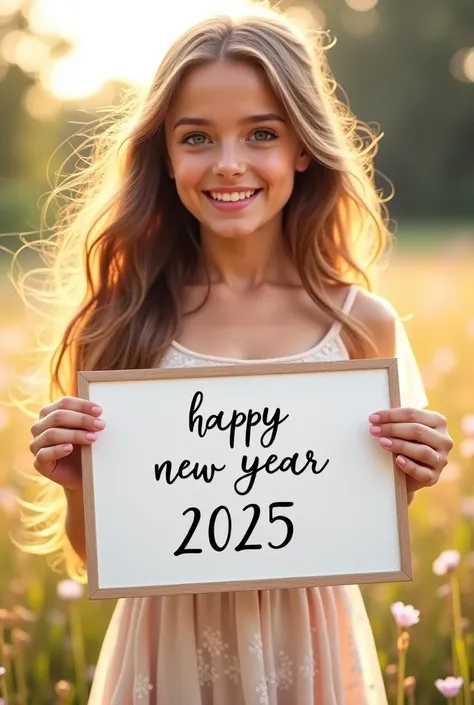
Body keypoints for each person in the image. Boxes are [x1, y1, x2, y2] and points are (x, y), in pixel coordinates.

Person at [26, 4, 453, 704]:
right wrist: (76, 482)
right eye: (197, 137)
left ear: (303, 147)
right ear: (164, 153)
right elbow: (93, 552)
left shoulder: (358, 325)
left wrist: (412, 471)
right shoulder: (122, 323)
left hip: (310, 645)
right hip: (166, 649)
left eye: (261, 133)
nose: (229, 165)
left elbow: (364, 518)